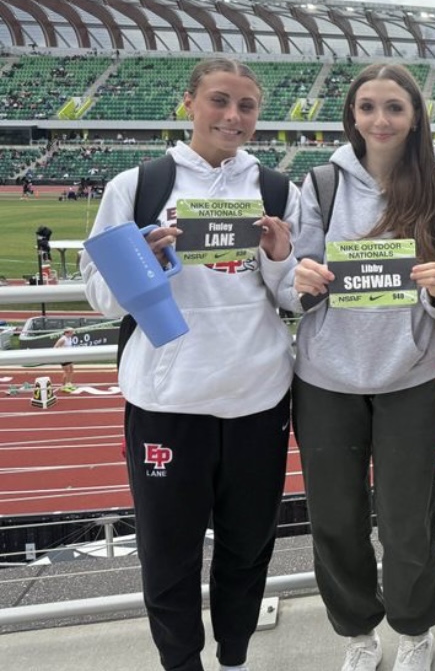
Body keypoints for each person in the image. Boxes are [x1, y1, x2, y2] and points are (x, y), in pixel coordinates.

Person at [81, 57, 300, 671]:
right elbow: (99, 294)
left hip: (256, 397)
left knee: (248, 548)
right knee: (168, 554)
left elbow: (295, 297)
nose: (232, 116)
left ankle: (234, 658)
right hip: (167, 402)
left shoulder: (280, 190)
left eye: (247, 106)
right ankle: (181, 663)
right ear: (189, 104)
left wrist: (282, 256)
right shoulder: (139, 185)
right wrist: (141, 263)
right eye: (219, 101)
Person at [278, 63, 435, 671]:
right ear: (351, 115)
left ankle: (414, 630)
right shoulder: (320, 183)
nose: (380, 120)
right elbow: (292, 283)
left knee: (408, 523)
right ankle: (357, 633)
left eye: (393, 107)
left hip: (410, 379)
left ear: (415, 116)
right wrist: (299, 279)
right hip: (325, 380)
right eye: (368, 107)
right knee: (335, 520)